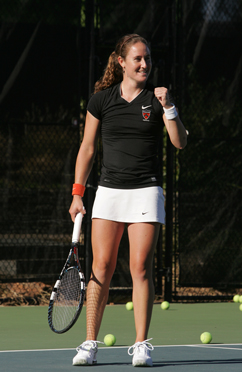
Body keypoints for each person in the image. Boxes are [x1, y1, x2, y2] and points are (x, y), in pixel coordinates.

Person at [69, 33, 187, 367]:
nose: (144, 64)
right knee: (101, 268)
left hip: (146, 193)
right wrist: (78, 193)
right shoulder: (101, 100)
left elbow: (179, 142)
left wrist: (170, 107)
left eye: (148, 58)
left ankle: (141, 345)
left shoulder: (157, 99)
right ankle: (90, 343)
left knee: (140, 268)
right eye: (137, 59)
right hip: (108, 192)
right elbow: (88, 149)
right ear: (122, 62)